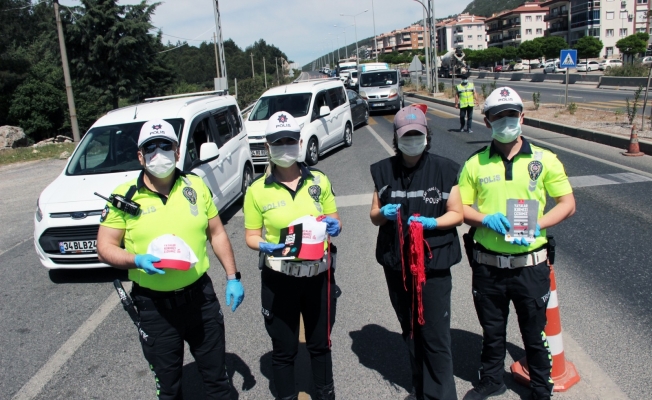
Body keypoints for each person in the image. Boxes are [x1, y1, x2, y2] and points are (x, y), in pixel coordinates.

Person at [97, 119, 244, 400]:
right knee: (170, 389)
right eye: (150, 147)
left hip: (200, 299)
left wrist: (232, 277)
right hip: (155, 308)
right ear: (140, 156)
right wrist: (136, 259)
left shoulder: (195, 186)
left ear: (177, 152)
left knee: (217, 382)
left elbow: (217, 234)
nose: (158, 152)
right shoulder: (124, 196)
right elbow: (104, 247)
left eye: (166, 145)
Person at [457, 87, 575, 400]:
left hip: (530, 265)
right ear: (487, 121)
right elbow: (461, 209)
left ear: (522, 117)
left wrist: (540, 223)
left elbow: (567, 203)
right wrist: (484, 219)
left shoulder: (544, 159)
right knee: (492, 332)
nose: (506, 120)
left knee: (534, 335)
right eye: (498, 115)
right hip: (488, 267)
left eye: (511, 114)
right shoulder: (474, 164)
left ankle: (540, 388)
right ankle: (492, 380)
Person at [243, 111, 342, 400]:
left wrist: (335, 225)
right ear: (268, 146)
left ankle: (326, 395)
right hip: (279, 279)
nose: (284, 146)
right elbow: (251, 235)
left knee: (320, 345)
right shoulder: (256, 191)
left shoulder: (319, 180)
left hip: (318, 277)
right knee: (284, 350)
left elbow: (333, 219)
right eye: (278, 141)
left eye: (289, 140)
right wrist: (262, 245)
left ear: (299, 143)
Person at [369, 104, 464, 400]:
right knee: (410, 329)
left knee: (434, 334)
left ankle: (441, 395)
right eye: (406, 135)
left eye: (417, 134)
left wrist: (433, 222)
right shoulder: (383, 171)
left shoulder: (445, 169)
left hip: (432, 265)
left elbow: (457, 213)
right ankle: (421, 388)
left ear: (426, 136)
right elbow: (374, 214)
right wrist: (382, 213)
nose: (412, 140)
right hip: (397, 264)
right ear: (396, 138)